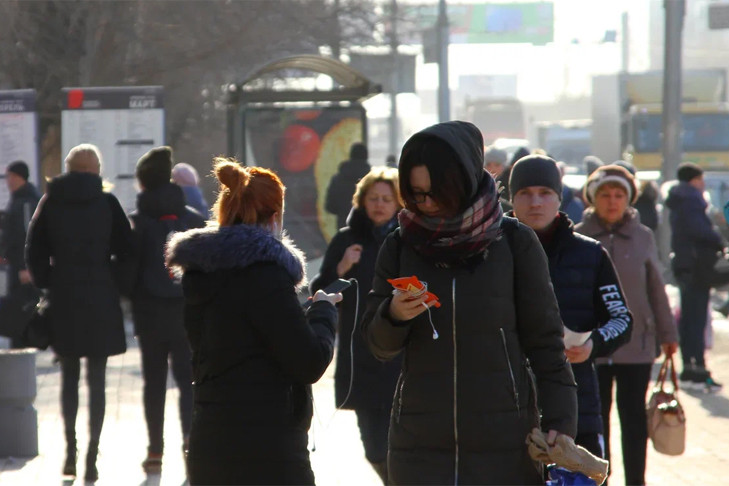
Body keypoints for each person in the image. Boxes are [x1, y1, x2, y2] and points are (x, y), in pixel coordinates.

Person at [361, 121, 578, 485]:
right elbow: (378, 346)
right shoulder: (400, 245)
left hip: (505, 441)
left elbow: (545, 342)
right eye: (416, 194)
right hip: (419, 442)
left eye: (435, 192)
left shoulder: (514, 243)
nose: (425, 204)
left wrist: (560, 424)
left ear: (462, 181)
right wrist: (394, 315)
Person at [165, 158, 340, 485]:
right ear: (275, 218)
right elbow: (308, 362)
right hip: (268, 450)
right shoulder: (267, 277)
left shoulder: (201, 273)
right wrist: (324, 312)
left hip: (210, 443)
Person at [509, 155, 633, 459]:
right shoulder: (491, 253)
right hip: (506, 408)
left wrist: (592, 344)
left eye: (545, 193)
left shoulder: (589, 254)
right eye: (525, 193)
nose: (535, 202)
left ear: (559, 198)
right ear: (511, 199)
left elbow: (621, 318)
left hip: (578, 407)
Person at [25, 144, 133, 481]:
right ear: (96, 169)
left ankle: (69, 453)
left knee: (69, 378)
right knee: (97, 381)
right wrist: (114, 283)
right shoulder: (107, 203)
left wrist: (48, 284)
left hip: (65, 298)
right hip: (100, 298)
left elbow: (34, 250)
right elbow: (128, 250)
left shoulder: (51, 201)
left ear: (69, 168)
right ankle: (91, 457)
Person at [575, 164, 679, 485]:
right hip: (592, 345)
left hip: (637, 344)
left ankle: (636, 480)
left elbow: (656, 289)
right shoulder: (578, 237)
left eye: (619, 194)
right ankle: (599, 479)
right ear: (593, 198)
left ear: (629, 199)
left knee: (633, 419)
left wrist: (668, 334)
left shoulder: (643, 236)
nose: (612, 201)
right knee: (596, 420)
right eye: (605, 194)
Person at [310, 166, 402, 483]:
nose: (379, 204)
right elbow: (321, 293)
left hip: (400, 352)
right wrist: (342, 267)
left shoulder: (406, 240)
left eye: (386, 198)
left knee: (400, 441)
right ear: (362, 202)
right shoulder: (347, 240)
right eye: (373, 198)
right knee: (373, 447)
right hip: (360, 352)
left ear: (398, 203)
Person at [127, 147, 206, 474]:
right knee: (189, 381)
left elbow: (128, 270)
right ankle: (191, 445)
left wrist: (131, 295)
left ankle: (155, 451)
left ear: (143, 184)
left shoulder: (137, 222)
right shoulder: (193, 219)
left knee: (154, 382)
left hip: (149, 314)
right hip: (187, 313)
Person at [665, 162, 725, 391]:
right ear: (694, 180)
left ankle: (689, 367)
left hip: (684, 265)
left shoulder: (678, 198)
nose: (703, 185)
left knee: (689, 318)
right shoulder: (691, 199)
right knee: (696, 319)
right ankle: (698, 370)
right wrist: (717, 238)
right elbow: (700, 231)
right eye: (701, 180)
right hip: (697, 267)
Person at [0, 160, 40, 347]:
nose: (7, 181)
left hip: (23, 270)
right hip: (15, 266)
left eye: (8, 176)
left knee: (22, 309)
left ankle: (23, 346)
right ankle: (19, 344)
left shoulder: (26, 202)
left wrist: (27, 266)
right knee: (17, 309)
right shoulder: (18, 198)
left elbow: (28, 235)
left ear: (18, 177)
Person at [325, 142, 371, 229]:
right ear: (366, 156)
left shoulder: (337, 179)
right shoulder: (372, 179)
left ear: (351, 155)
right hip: (368, 228)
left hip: (343, 227)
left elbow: (330, 206)